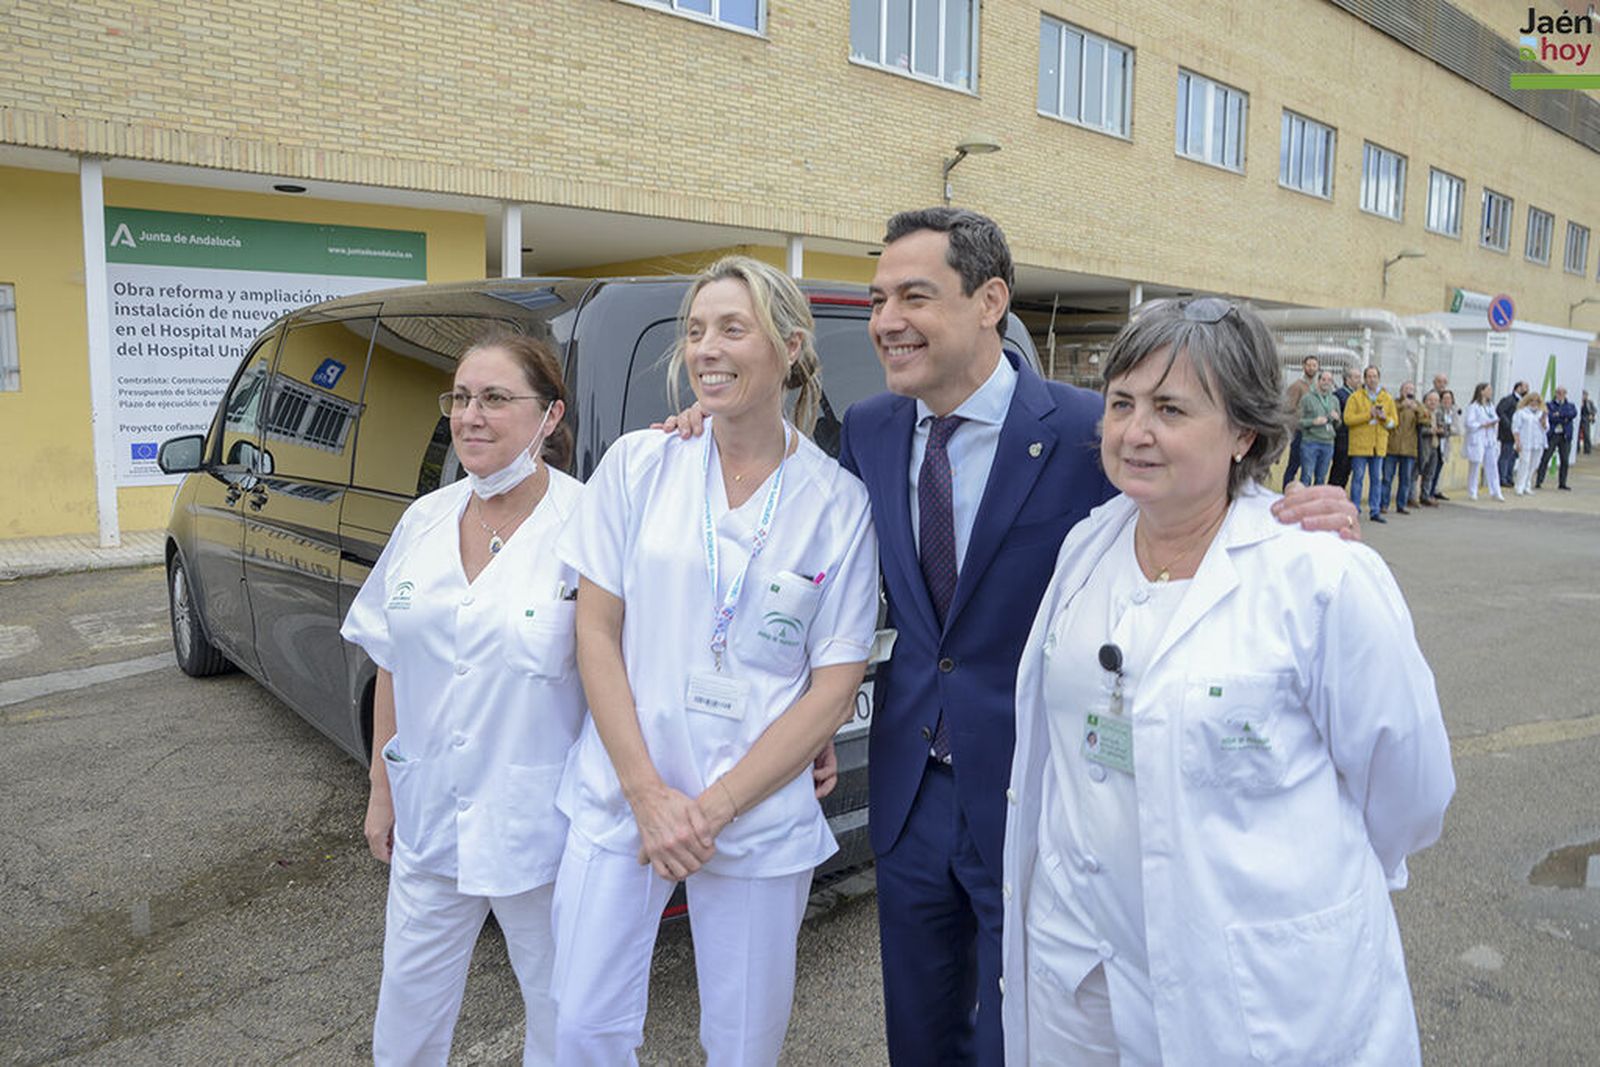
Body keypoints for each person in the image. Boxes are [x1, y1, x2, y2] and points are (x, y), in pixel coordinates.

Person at [663, 209, 1359, 1066]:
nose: (886, 320)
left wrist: (1289, 513)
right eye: (880, 298)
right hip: (909, 790)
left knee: (1022, 1034)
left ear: (990, 299)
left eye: (914, 295)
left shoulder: (1084, 432)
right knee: (919, 1033)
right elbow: (808, 561)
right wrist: (706, 426)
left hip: (1040, 793)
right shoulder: (875, 430)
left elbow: (1186, 506)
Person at [1002, 297, 1455, 1066]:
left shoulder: (1319, 573)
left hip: (1247, 979)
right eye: (1121, 403)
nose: (1135, 431)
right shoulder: (1087, 546)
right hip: (1077, 964)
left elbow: (1410, 791)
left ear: (1244, 430)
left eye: (1170, 408)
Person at [549, 256, 879, 1065]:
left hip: (758, 808)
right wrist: (649, 797)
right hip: (625, 795)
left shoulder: (838, 502)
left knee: (742, 1042)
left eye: (734, 328)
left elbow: (833, 684)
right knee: (583, 1027)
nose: (707, 348)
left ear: (791, 347)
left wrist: (715, 807)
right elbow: (595, 631)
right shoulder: (639, 464)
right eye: (695, 331)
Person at [340, 332, 585, 1066]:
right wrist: (382, 787)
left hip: (543, 830)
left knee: (566, 1016)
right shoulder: (425, 519)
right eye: (462, 397)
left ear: (549, 415)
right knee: (407, 1017)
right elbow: (391, 657)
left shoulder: (588, 523)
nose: (472, 415)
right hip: (429, 818)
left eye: (496, 398)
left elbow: (627, 672)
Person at [1344, 365, 1394, 522]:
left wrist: (1385, 418)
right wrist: (1368, 415)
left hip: (1378, 446)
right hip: (1360, 446)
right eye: (1369, 376)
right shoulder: (1355, 397)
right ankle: (1355, 509)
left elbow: (1394, 424)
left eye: (1375, 376)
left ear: (1379, 378)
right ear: (1365, 379)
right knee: (1357, 478)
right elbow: (1348, 419)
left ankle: (1375, 510)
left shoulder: (1387, 398)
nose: (1372, 379)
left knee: (1376, 479)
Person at [1381, 381, 1421, 515]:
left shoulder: (1417, 405)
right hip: (1392, 447)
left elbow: (1426, 418)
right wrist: (1401, 407)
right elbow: (1387, 415)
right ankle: (1384, 504)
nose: (1408, 391)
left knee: (1405, 479)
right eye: (1406, 389)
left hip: (1409, 449)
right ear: (1401, 390)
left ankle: (1401, 504)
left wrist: (1417, 409)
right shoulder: (1393, 403)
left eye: (1411, 389)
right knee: (1387, 477)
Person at [1281, 355, 1319, 488]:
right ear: (1303, 366)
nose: (1311, 368)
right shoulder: (1297, 386)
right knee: (1294, 465)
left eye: (1314, 365)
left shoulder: (1318, 387)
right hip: (1300, 432)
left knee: (1308, 468)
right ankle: (1286, 493)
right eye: (1309, 365)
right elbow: (1289, 408)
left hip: (1314, 433)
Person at [1297, 368, 1339, 485]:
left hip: (1328, 443)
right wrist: (1313, 422)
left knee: (1321, 478)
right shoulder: (1307, 398)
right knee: (1307, 476)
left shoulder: (1334, 400)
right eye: (1324, 379)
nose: (1326, 382)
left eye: (1329, 380)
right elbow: (1298, 421)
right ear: (1318, 381)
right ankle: (1304, 502)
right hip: (1310, 442)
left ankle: (1317, 503)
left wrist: (1336, 419)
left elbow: (1338, 425)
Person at [1463, 382, 1504, 502]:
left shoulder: (1490, 406)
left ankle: (1496, 491)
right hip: (1478, 438)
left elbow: (1494, 418)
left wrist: (1493, 423)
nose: (1490, 392)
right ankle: (1472, 491)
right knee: (1475, 466)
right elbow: (1469, 423)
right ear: (1481, 391)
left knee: (1492, 465)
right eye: (1488, 389)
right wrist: (1482, 425)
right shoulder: (1474, 406)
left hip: (1490, 439)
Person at [1536, 386, 1577, 490]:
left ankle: (1562, 483)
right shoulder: (1549, 405)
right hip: (1553, 435)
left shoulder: (1570, 405)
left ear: (1565, 394)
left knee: (1565, 460)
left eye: (1562, 393)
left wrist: (1560, 414)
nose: (1559, 395)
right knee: (1545, 458)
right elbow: (1550, 416)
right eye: (1558, 393)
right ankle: (1539, 481)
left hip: (1565, 435)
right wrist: (1563, 417)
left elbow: (1573, 414)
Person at [1512, 391, 1548, 496]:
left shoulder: (1542, 413)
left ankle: (1527, 485)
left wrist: (1543, 420)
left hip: (1538, 442)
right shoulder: (1521, 412)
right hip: (1525, 442)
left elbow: (1546, 428)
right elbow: (1515, 428)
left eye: (1537, 401)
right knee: (1524, 463)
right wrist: (1517, 441)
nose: (1534, 403)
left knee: (1534, 464)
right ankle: (1519, 486)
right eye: (1532, 400)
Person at [1329, 366, 1360, 488]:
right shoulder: (1339, 395)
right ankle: (1331, 496)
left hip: (1354, 439)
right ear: (1347, 379)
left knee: (1347, 470)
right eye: (1356, 377)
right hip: (1342, 439)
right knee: (1339, 469)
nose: (1359, 380)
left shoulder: (1358, 395)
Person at [1495, 382, 1527, 488]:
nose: (1527, 390)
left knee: (1513, 456)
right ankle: (1502, 478)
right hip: (1508, 434)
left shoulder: (1522, 402)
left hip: (1517, 434)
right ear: (1518, 388)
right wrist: (1508, 424)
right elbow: (1500, 410)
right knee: (1506, 455)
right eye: (1524, 387)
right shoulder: (1509, 400)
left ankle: (1509, 477)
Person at [1430, 388, 1458, 501]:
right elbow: (1440, 429)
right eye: (1445, 398)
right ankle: (1429, 493)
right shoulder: (1438, 412)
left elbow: (1457, 430)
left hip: (1445, 445)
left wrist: (1447, 429)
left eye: (1449, 399)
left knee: (1438, 470)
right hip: (1436, 444)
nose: (1447, 401)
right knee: (1433, 470)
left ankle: (1433, 492)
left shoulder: (1452, 413)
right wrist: (1447, 429)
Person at [1415, 390, 1442, 507]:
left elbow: (1445, 428)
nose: (1433, 403)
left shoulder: (1438, 414)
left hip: (1435, 446)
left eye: (1435, 400)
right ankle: (1411, 497)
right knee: (1416, 472)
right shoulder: (1422, 413)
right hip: (1423, 446)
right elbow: (1419, 430)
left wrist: (1442, 431)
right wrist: (1430, 431)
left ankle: (1425, 495)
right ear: (1425, 401)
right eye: (1430, 400)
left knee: (1430, 473)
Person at [1581, 389, 1595, 455]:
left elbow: (1594, 410)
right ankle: (1577, 449)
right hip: (1580, 418)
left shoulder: (1589, 402)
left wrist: (1591, 415)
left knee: (1586, 434)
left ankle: (1587, 450)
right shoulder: (1580, 401)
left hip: (1586, 419)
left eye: (1585, 395)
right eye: (1583, 395)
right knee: (1577, 435)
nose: (1584, 396)